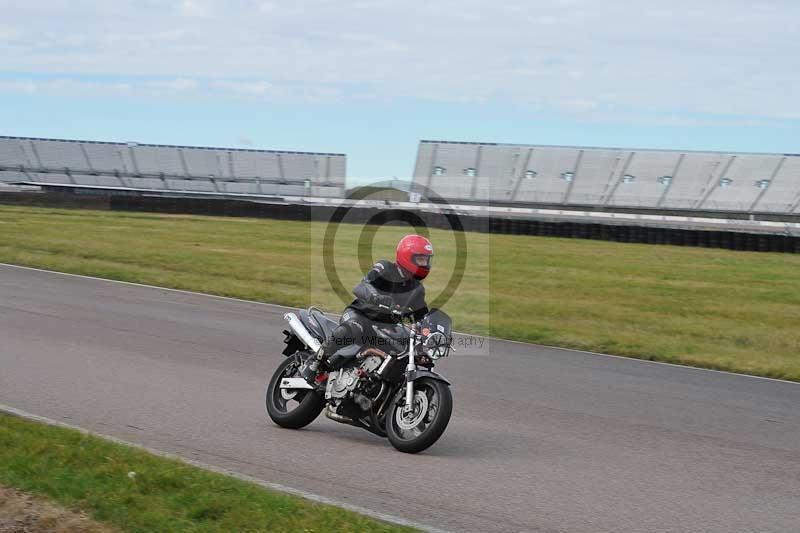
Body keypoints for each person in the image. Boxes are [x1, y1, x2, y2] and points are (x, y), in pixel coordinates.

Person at [302, 234, 433, 381]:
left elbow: (422, 316)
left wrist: (431, 331)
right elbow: (362, 286)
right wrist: (375, 296)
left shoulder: (417, 289)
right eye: (420, 259)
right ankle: (315, 362)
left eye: (427, 260)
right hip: (360, 315)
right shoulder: (385, 268)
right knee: (353, 328)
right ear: (407, 257)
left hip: (385, 327)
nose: (425, 264)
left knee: (409, 349)